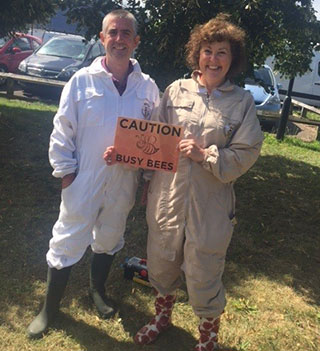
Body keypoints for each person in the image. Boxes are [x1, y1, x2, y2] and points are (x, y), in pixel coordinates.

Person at [133, 14, 264, 350]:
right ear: (197, 54)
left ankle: (208, 339)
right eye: (208, 51)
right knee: (161, 260)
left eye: (222, 52)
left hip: (211, 204)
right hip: (167, 194)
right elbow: (153, 142)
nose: (214, 59)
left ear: (232, 59)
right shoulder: (176, 89)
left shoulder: (242, 101)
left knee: (204, 270)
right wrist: (147, 181)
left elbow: (247, 153)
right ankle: (162, 318)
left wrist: (205, 155)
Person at [27, 9, 159, 339]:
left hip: (124, 180)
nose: (119, 39)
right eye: (112, 33)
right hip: (83, 177)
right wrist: (66, 174)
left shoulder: (148, 88)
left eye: (126, 33)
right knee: (67, 238)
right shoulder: (81, 81)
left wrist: (145, 178)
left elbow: (154, 140)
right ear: (102, 38)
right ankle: (49, 308)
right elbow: (62, 130)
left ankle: (97, 290)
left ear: (136, 41)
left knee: (111, 236)